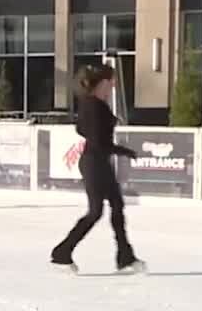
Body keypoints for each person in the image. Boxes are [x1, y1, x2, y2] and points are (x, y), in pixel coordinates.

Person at [50, 64, 145, 274]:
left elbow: (81, 129)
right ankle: (62, 252)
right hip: (94, 162)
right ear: (102, 83)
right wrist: (123, 151)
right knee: (95, 211)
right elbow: (97, 140)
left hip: (98, 161)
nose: (112, 86)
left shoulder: (92, 104)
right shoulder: (94, 106)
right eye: (111, 82)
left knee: (117, 204)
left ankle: (125, 256)